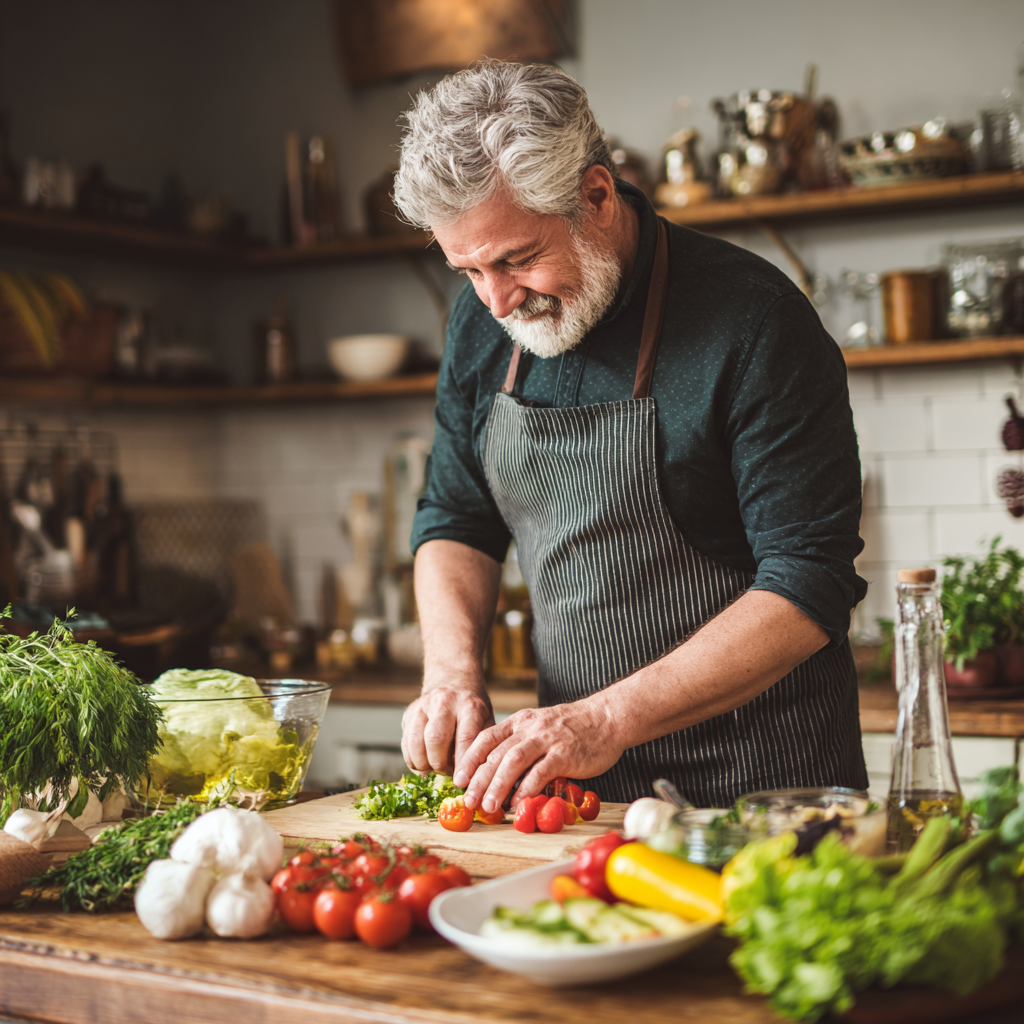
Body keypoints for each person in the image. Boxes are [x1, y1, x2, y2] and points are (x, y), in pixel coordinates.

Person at [394, 60, 868, 816]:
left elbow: (810, 584)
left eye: (516, 259)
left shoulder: (755, 321)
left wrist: (604, 719)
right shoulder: (484, 325)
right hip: (582, 799)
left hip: (766, 797)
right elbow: (457, 519)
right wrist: (451, 675)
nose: (496, 299)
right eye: (468, 270)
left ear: (596, 195)